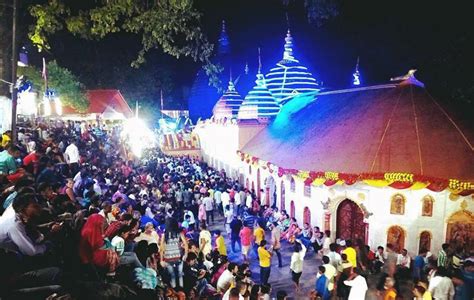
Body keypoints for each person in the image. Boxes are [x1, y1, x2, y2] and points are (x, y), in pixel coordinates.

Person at [160, 217, 188, 288]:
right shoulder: (179, 233)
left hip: (168, 258)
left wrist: (161, 260)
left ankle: (174, 290)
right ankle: (182, 289)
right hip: (178, 257)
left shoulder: (164, 235)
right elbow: (186, 243)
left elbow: (161, 248)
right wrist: (186, 254)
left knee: (172, 275)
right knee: (180, 274)